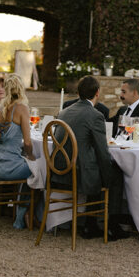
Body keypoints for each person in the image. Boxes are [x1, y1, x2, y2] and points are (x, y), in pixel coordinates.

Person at [53, 75, 127, 240]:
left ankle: (91, 224)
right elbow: (102, 151)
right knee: (114, 172)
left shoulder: (64, 112)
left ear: (78, 92)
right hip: (78, 174)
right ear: (97, 93)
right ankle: (112, 227)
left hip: (59, 171)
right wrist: (108, 174)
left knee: (97, 167)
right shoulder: (95, 115)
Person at [0, 73, 41, 229]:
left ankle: (20, 212)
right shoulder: (21, 109)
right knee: (39, 169)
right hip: (10, 168)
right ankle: (22, 216)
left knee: (31, 168)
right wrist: (32, 156)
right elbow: (27, 142)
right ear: (21, 89)